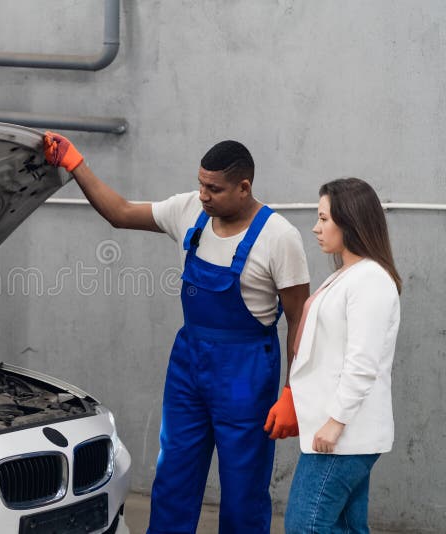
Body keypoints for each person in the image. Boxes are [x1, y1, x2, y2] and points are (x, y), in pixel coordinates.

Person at [43, 132, 310, 533]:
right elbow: (119, 213)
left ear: (244, 188)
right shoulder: (189, 210)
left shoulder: (280, 237)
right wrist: (75, 162)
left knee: (243, 490)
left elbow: (300, 321)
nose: (203, 195)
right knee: (173, 480)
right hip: (188, 366)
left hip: (246, 373)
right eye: (200, 184)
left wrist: (293, 393)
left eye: (214, 189)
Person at [284, 178, 401, 533]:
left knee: (306, 525)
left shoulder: (369, 280)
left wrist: (336, 422)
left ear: (350, 222)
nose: (316, 228)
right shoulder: (348, 275)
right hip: (338, 431)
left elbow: (362, 362)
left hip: (345, 436)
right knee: (347, 527)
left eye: (323, 219)